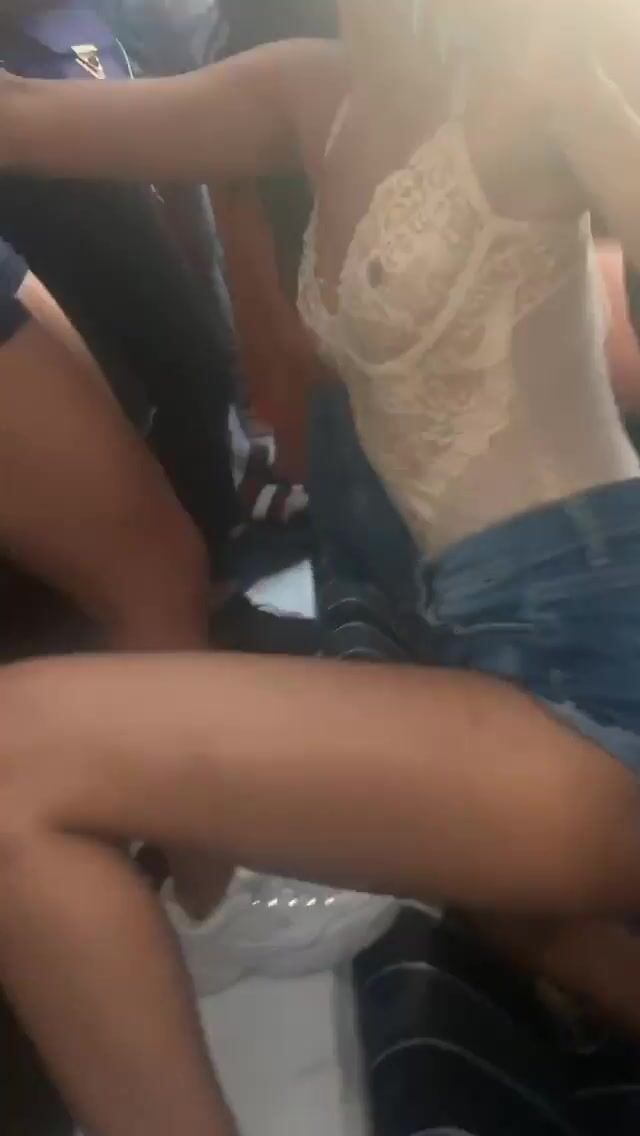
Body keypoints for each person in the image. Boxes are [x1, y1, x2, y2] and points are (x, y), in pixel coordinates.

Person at [3, 1, 640, 1132]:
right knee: (508, 922)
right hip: (468, 656)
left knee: (17, 759)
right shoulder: (308, 89)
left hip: (597, 673)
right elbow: (20, 114)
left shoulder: (543, 65)